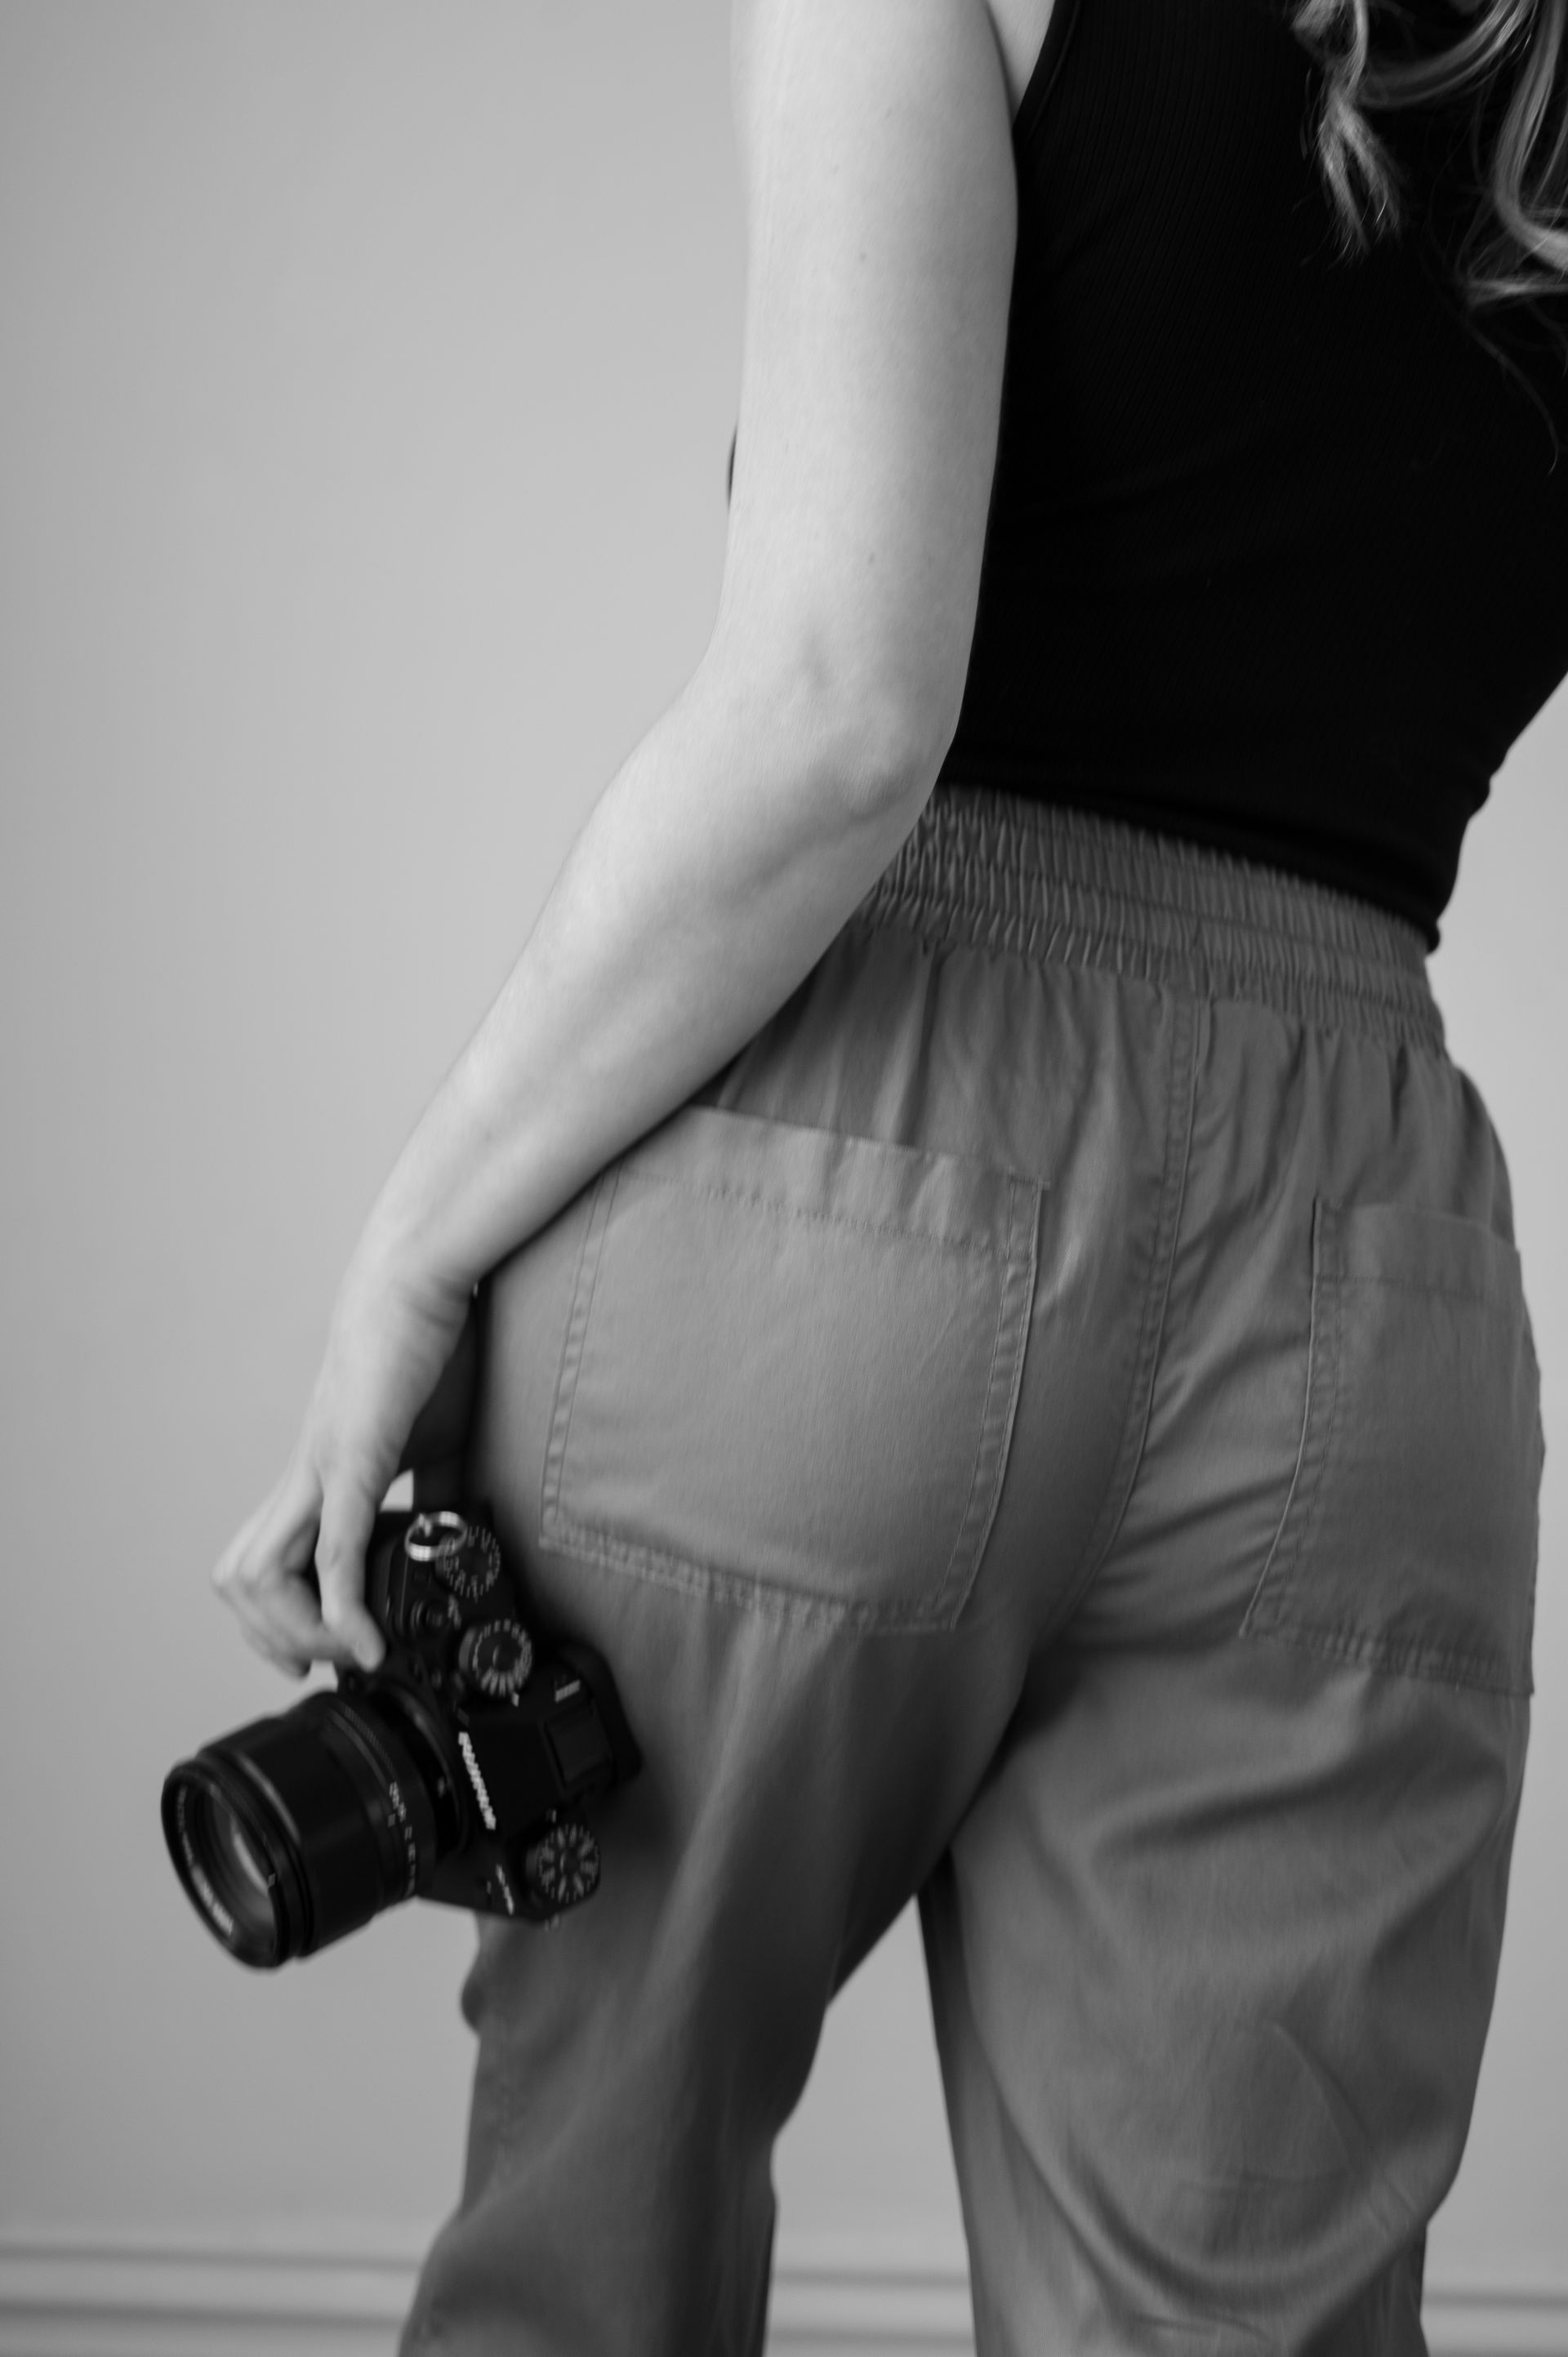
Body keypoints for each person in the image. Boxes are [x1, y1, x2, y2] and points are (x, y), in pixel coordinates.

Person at [210, 0, 1566, 2346]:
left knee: (586, 2274)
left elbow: (840, 717)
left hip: (858, 1164)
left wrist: (415, 1248)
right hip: (1378, 1270)